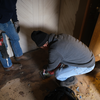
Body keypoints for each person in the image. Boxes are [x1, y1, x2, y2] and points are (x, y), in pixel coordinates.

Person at [31, 30, 95, 87]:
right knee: (59, 61)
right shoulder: (61, 36)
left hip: (87, 66)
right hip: (89, 57)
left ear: (44, 45)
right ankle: (68, 73)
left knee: (58, 74)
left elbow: (51, 66)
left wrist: (46, 68)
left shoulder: (54, 50)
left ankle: (72, 80)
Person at [0, 0, 29, 71]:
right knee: (2, 46)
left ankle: (18, 55)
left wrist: (16, 21)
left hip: (7, 21)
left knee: (15, 38)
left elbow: (13, 8)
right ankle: (8, 66)